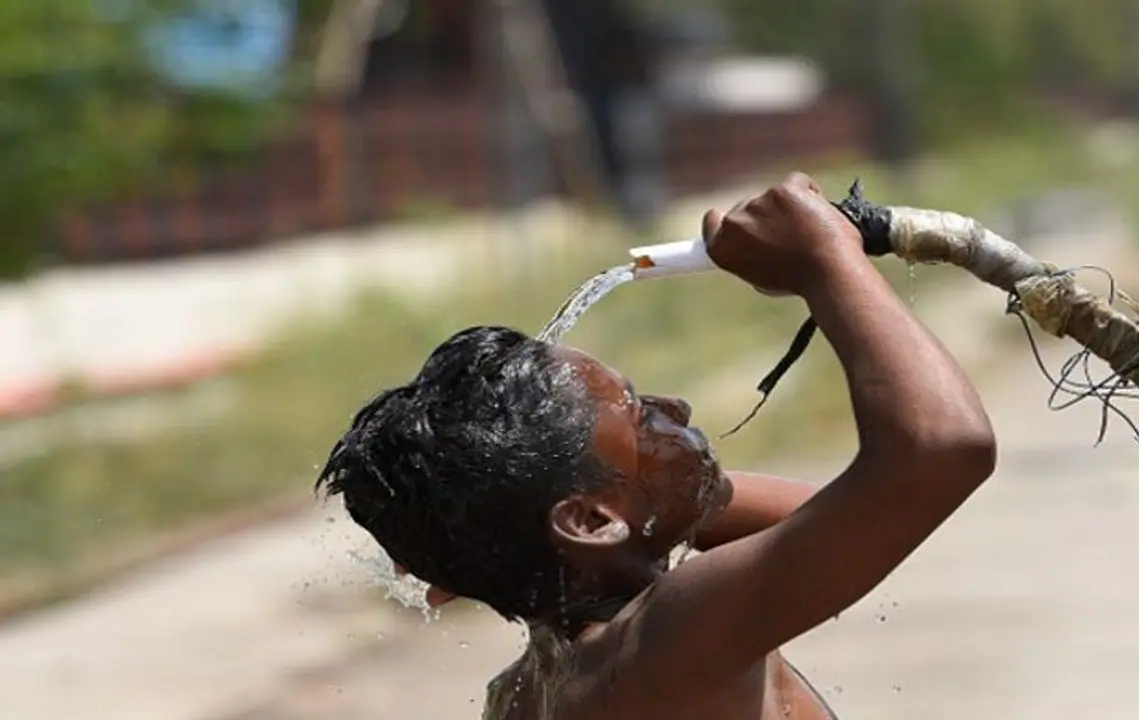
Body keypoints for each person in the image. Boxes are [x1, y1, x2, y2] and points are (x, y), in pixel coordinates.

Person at [317, 172, 997, 719]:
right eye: (642, 416)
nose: (679, 408)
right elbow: (939, 451)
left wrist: (491, 536)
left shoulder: (531, 691)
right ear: (589, 521)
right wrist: (823, 260)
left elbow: (844, 522)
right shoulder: (670, 634)